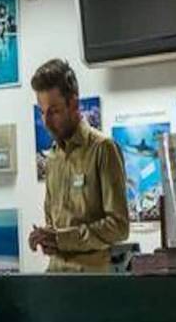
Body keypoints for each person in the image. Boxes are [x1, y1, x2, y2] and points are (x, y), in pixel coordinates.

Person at [28, 58, 129, 271]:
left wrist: (62, 239)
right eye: (42, 112)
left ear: (74, 104)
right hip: (56, 278)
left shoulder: (103, 149)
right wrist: (45, 238)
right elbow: (54, 224)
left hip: (90, 284)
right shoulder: (53, 159)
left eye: (53, 111)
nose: (46, 122)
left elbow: (119, 227)